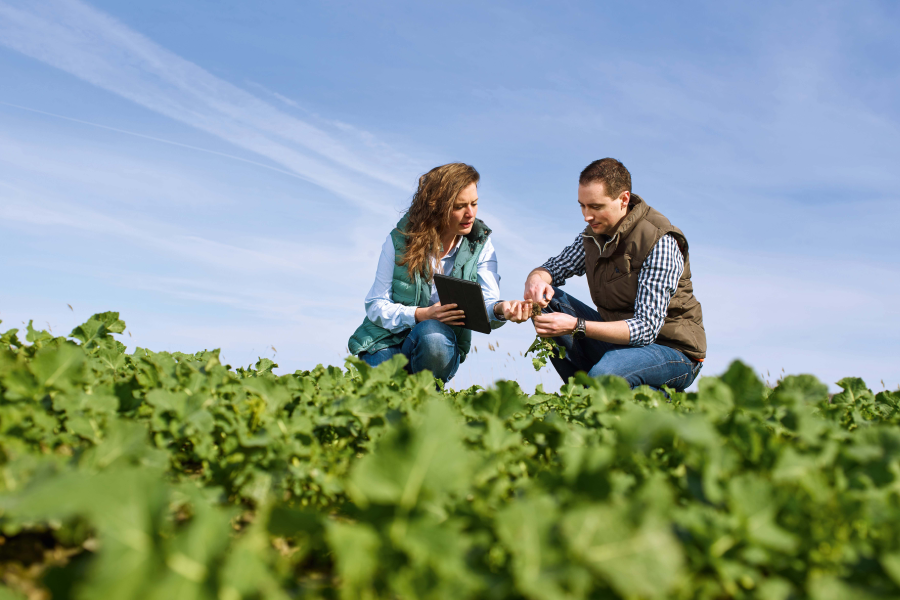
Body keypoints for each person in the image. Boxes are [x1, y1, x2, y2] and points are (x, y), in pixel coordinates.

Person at [524, 158, 706, 391]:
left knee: (606, 374)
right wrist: (536, 281)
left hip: (672, 351)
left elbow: (646, 329)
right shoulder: (593, 236)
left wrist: (577, 325)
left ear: (624, 200)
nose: (586, 216)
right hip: (619, 345)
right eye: (582, 205)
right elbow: (553, 268)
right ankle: (583, 394)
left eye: (596, 207)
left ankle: (620, 394)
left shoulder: (660, 241)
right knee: (549, 301)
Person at [349, 163, 530, 383]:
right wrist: (420, 314)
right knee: (377, 399)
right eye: (459, 206)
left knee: (433, 334)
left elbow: (487, 303)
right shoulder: (398, 240)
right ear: (437, 207)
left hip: (434, 341)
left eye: (474, 204)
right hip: (384, 340)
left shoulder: (481, 246)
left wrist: (502, 309)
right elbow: (375, 304)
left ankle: (428, 399)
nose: (470, 213)